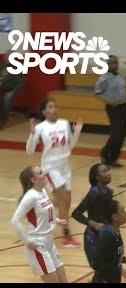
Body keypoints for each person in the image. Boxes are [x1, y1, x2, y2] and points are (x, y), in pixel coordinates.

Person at [26, 99, 83, 248]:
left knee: (63, 201)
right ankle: (66, 235)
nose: (54, 109)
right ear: (44, 112)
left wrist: (76, 131)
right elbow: (29, 151)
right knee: (64, 200)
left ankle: (39, 210)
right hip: (51, 168)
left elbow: (70, 145)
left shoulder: (64, 123)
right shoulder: (40, 127)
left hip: (65, 167)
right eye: (50, 107)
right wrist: (32, 135)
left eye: (55, 106)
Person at [10, 166, 68, 283]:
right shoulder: (30, 197)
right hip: (38, 244)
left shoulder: (43, 191)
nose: (44, 174)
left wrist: (56, 220)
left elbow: (43, 214)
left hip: (49, 241)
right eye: (40, 173)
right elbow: (15, 220)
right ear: (33, 179)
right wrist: (27, 242)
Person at [94, 55, 126, 168]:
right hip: (113, 108)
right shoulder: (104, 78)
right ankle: (104, 153)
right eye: (112, 63)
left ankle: (113, 159)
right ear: (107, 64)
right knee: (116, 134)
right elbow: (97, 93)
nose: (114, 65)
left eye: (116, 63)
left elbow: (124, 90)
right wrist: (109, 101)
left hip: (124, 106)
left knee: (123, 134)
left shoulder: (122, 77)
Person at [71, 164, 113, 268]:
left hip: (106, 235)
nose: (109, 173)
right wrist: (93, 224)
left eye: (108, 170)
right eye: (104, 171)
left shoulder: (109, 191)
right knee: (100, 270)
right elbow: (76, 213)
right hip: (93, 238)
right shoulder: (93, 193)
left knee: (109, 268)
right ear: (97, 177)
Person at [91, 200, 126, 283]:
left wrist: (125, 260)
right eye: (123, 211)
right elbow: (96, 263)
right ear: (115, 216)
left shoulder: (115, 231)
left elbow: (111, 256)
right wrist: (123, 272)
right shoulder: (107, 235)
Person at [0, 50, 24, 128]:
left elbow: (20, 83)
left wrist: (12, 92)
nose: (5, 57)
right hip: (1, 88)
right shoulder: (2, 65)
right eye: (5, 55)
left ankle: (1, 121)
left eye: (7, 56)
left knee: (6, 101)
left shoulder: (16, 67)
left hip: (10, 90)